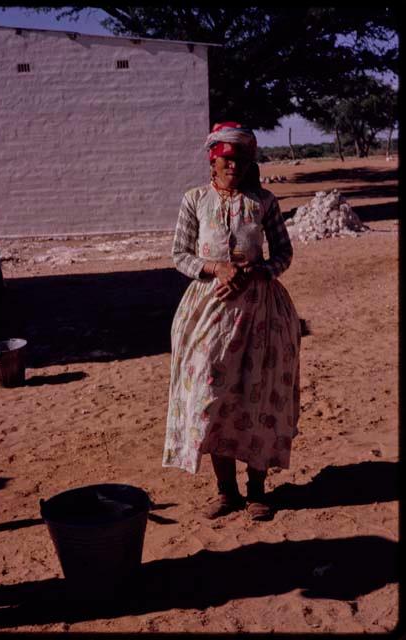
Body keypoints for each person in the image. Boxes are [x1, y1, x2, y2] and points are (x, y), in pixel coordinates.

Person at [162, 121, 301, 521]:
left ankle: (257, 491)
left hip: (262, 313)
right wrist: (215, 268)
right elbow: (180, 255)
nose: (233, 166)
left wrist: (258, 272)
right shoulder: (194, 201)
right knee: (211, 395)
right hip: (209, 310)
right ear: (212, 160)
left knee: (258, 395)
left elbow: (284, 254)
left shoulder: (264, 202)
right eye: (226, 159)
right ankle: (226, 492)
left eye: (240, 159)